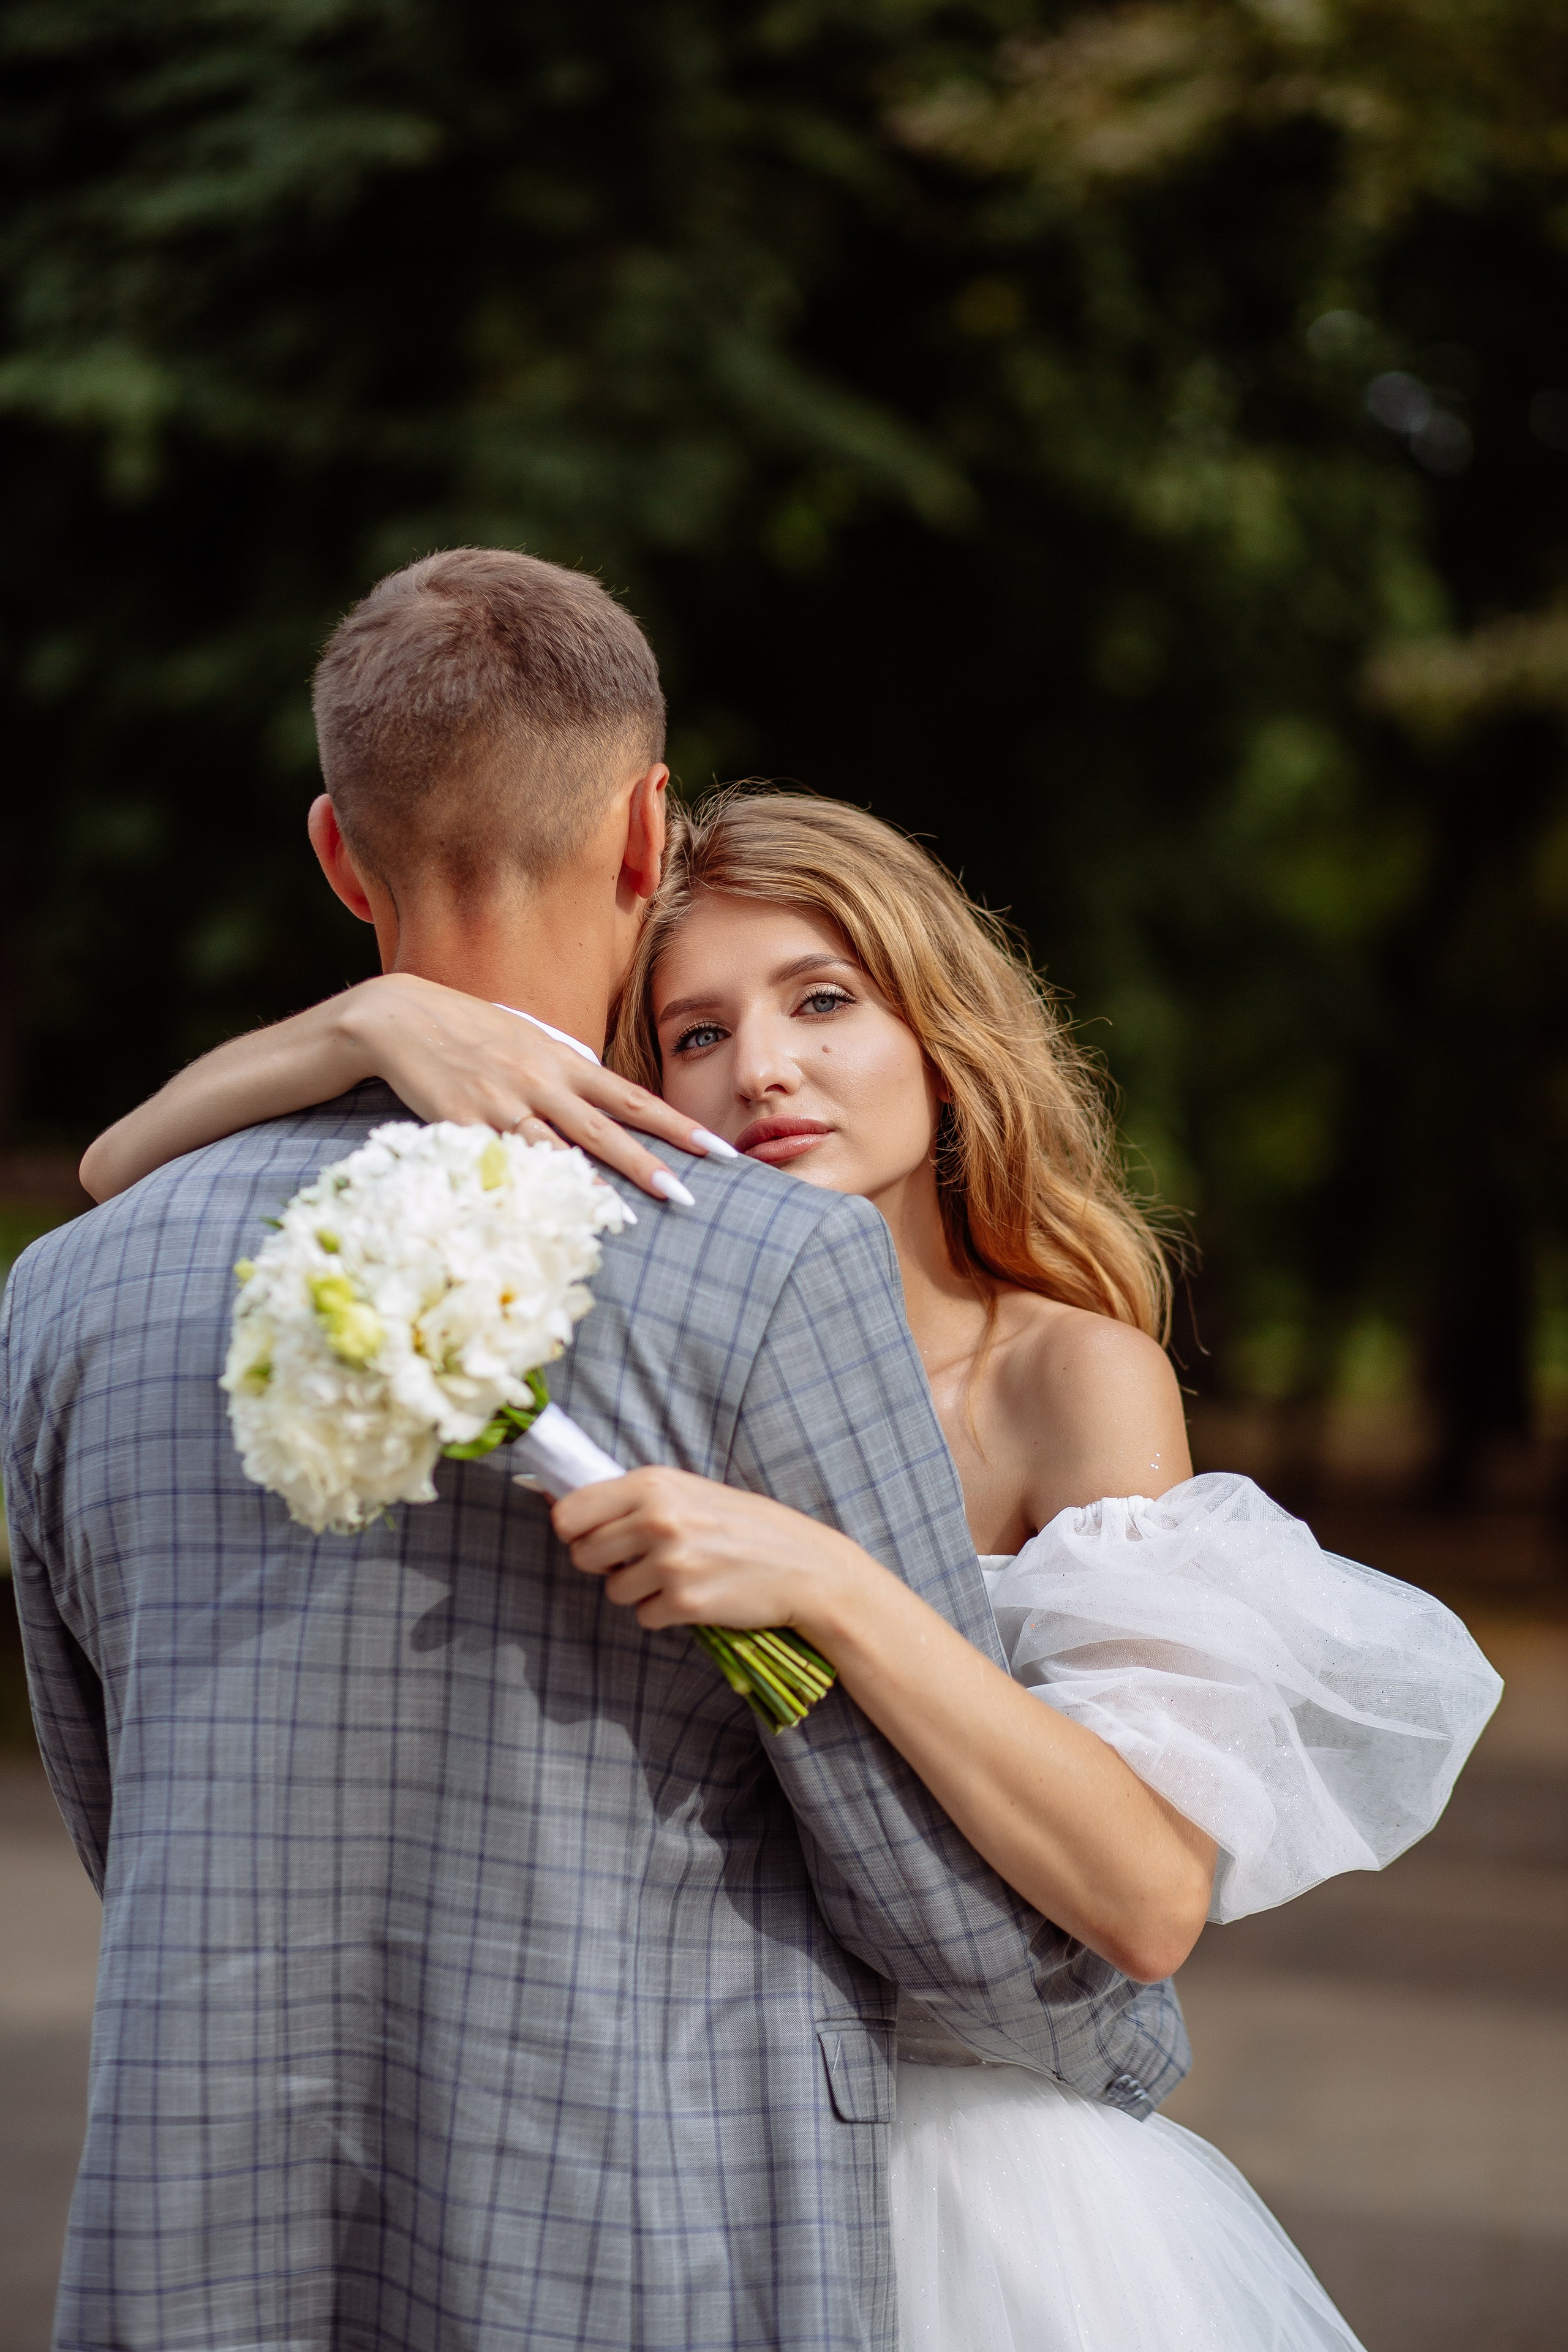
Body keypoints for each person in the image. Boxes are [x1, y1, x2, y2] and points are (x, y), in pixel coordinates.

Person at [76, 772, 1502, 2349]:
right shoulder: (629, 1341)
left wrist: (828, 1581)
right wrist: (358, 1029)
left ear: (937, 1037)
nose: (763, 1069)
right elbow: (111, 1174)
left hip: (976, 2187)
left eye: (821, 1000)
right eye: (693, 1033)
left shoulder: (1065, 1378)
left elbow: (1149, 1892)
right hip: (656, 2155)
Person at [1, 548, 1196, 2352]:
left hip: (195, 2244)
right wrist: (1110, 2052)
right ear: (650, 834)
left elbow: (114, 1797)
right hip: (639, 2236)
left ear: (340, 853)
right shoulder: (768, 1263)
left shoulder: (71, 1294)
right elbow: (916, 1873)